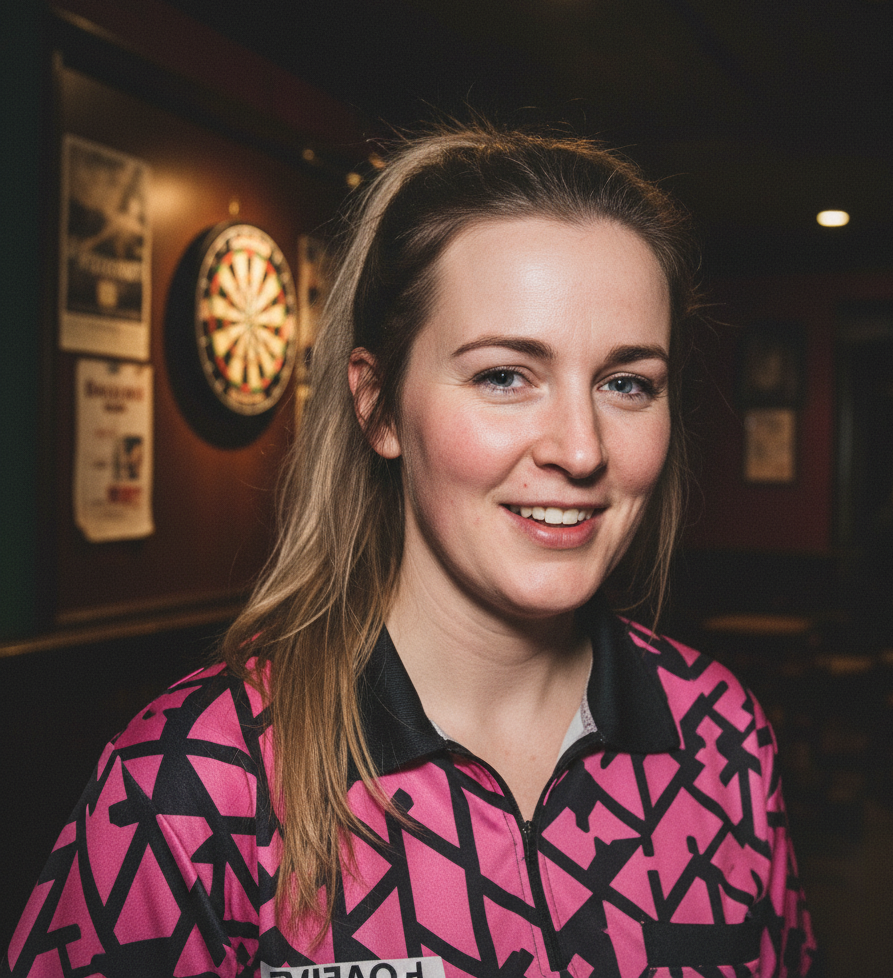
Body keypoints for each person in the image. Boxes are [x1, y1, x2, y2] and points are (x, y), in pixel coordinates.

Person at [4, 125, 817, 977]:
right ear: (378, 406)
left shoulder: (721, 737)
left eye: (626, 384)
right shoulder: (198, 782)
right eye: (505, 375)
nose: (580, 449)